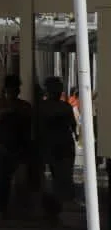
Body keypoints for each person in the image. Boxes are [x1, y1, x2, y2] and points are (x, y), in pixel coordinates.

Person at [0, 74, 34, 219]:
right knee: (2, 178)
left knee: (17, 179)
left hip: (17, 147)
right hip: (2, 145)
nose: (13, 92)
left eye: (15, 89)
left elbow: (29, 127)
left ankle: (16, 207)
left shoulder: (24, 107)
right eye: (10, 89)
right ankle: (0, 207)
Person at [38, 75, 77, 220]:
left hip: (50, 145)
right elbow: (73, 127)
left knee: (54, 177)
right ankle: (57, 205)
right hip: (62, 145)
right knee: (61, 177)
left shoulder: (42, 107)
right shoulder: (65, 107)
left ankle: (52, 206)